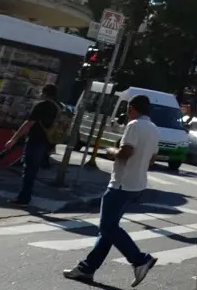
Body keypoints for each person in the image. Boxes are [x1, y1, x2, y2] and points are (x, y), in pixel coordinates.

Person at [63, 94, 159, 286]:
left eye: (127, 109)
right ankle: (86, 269)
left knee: (108, 227)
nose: (127, 113)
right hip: (137, 184)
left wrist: (110, 151)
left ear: (132, 108)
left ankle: (140, 259)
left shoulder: (134, 126)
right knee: (107, 229)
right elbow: (153, 158)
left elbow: (126, 152)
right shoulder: (154, 129)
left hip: (121, 184)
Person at [1, 84, 58, 206]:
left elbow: (28, 123)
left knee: (29, 170)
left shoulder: (40, 106)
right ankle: (25, 196)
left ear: (45, 93)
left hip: (35, 140)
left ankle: (24, 198)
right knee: (33, 169)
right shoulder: (57, 108)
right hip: (47, 141)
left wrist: (13, 139)